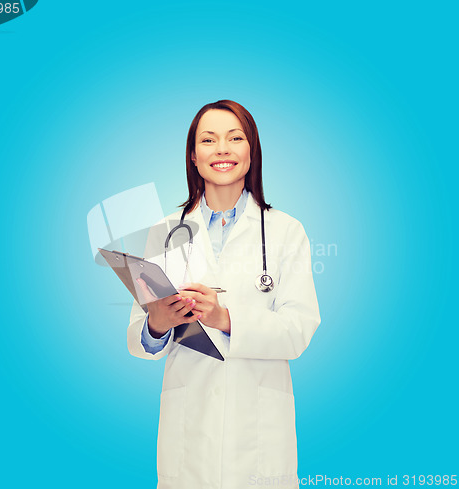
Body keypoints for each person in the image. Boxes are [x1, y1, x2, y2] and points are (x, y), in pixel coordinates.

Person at [127, 100, 321, 489]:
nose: (222, 149)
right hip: (190, 431)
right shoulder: (163, 232)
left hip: (260, 429)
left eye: (235, 138)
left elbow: (299, 329)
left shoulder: (285, 231)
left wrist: (224, 319)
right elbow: (138, 337)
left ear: (252, 152)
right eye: (208, 139)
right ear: (193, 156)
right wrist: (157, 324)